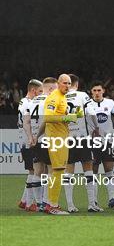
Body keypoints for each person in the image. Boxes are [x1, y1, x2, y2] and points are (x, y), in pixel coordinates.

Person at [43, 74, 82, 215]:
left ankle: (52, 203)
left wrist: (75, 115)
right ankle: (51, 205)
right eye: (65, 83)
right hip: (56, 139)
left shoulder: (63, 97)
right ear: (58, 83)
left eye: (69, 83)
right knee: (58, 171)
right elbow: (47, 117)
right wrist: (68, 117)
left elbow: (60, 117)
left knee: (58, 171)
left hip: (61, 137)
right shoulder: (54, 97)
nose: (67, 85)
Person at [64, 74, 102, 213]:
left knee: (69, 171)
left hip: (68, 138)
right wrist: (96, 127)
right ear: (77, 84)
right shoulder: (81, 95)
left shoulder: (61, 97)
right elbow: (91, 112)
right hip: (83, 138)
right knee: (88, 170)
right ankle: (91, 204)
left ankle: (70, 205)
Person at [87, 81, 114, 208]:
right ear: (91, 92)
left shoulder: (110, 103)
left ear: (103, 91)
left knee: (109, 170)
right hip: (93, 142)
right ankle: (94, 200)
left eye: (99, 90)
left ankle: (112, 198)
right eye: (94, 90)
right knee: (94, 171)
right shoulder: (87, 104)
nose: (97, 93)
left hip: (107, 141)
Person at [30, 77, 58, 212]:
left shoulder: (33, 100)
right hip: (46, 138)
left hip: (35, 140)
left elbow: (26, 121)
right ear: (51, 89)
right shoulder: (49, 100)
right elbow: (47, 120)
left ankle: (39, 202)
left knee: (38, 171)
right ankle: (47, 202)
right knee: (51, 170)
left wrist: (31, 137)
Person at [17, 79, 43, 211]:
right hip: (28, 142)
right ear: (33, 90)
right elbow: (26, 121)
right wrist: (31, 138)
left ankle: (24, 201)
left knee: (33, 171)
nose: (41, 94)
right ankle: (30, 203)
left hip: (28, 141)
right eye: (40, 91)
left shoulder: (27, 102)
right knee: (35, 171)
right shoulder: (26, 102)